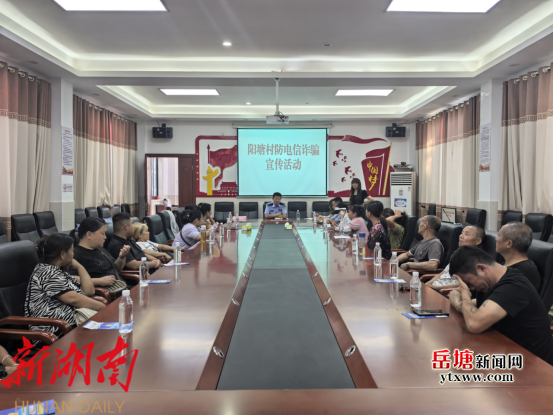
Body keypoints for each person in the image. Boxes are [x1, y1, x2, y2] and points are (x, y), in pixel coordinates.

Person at [449, 246, 553, 366]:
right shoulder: (487, 281)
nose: (470, 288)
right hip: (505, 350)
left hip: (534, 364)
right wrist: (461, 305)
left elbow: (474, 324)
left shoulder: (513, 286)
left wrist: (465, 295)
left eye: (468, 282)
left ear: (482, 268)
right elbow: (454, 293)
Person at [25, 233, 105, 344]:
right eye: (72, 250)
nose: (73, 254)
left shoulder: (59, 272)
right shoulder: (46, 272)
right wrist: (103, 308)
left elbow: (88, 291)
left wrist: (80, 267)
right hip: (53, 332)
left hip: (68, 327)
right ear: (62, 254)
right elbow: (73, 299)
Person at [70, 217, 130, 288]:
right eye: (102, 234)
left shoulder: (101, 249)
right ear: (89, 235)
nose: (105, 237)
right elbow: (71, 278)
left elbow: (116, 269)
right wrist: (99, 281)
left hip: (120, 286)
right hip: (105, 292)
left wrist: (121, 257)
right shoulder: (75, 255)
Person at [426, 225, 485, 291]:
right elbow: (443, 273)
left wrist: (437, 288)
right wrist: (428, 284)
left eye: (466, 234)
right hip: (435, 287)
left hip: (446, 292)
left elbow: (464, 284)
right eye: (462, 233)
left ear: (478, 241)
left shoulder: (476, 261)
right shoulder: (458, 253)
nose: (461, 236)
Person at [496, 222, 541, 292]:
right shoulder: (506, 264)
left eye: (499, 236)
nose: (496, 239)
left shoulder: (523, 272)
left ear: (509, 243)